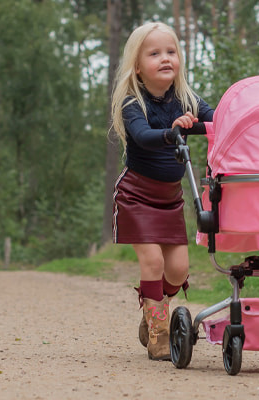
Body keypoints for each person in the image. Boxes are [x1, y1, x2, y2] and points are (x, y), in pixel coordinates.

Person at [110, 22, 214, 360]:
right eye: (154, 53)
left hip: (170, 198)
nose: (165, 58)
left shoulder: (186, 99)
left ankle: (152, 309)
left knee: (179, 271)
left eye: (171, 52)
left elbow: (216, 119)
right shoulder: (132, 102)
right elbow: (143, 136)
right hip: (137, 195)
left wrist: (229, 121)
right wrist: (172, 131)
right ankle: (159, 334)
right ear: (138, 66)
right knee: (153, 261)